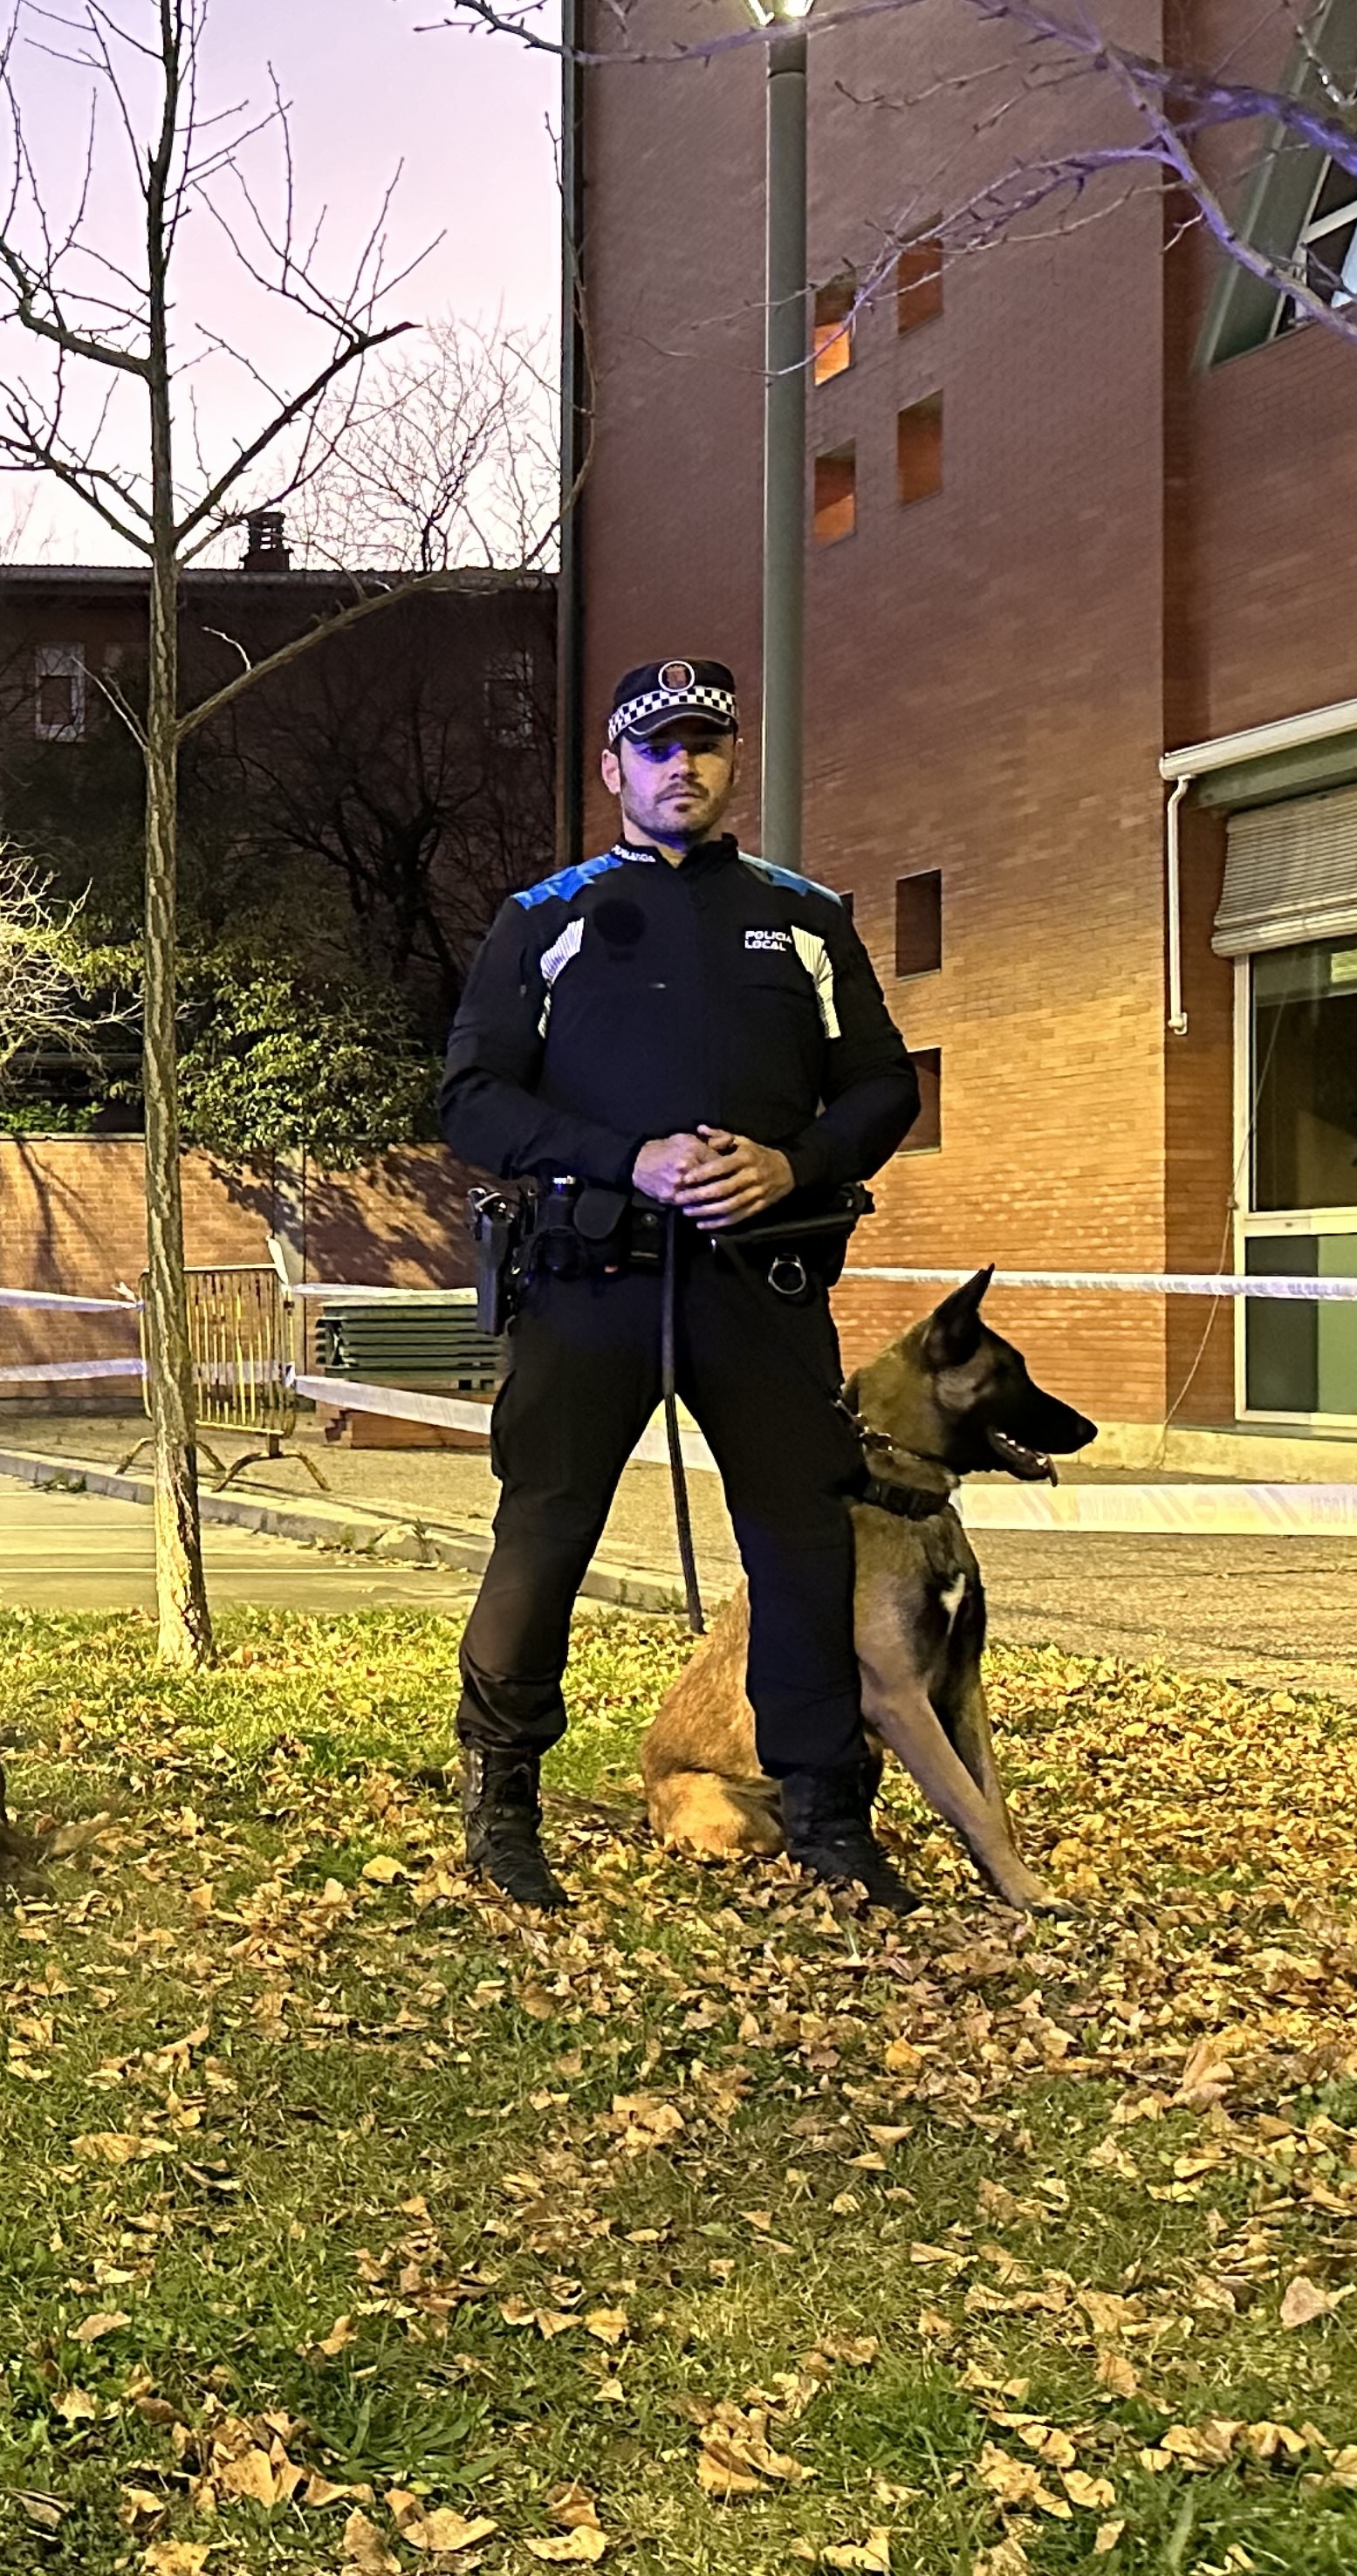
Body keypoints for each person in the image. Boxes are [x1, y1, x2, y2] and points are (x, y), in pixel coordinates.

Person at [439, 656, 922, 1912]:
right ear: (614, 770)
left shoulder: (806, 917)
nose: (683, 767)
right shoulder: (543, 917)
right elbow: (472, 1099)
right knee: (543, 1536)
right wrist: (628, 1158)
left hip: (760, 1284)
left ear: (731, 760)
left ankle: (827, 1814)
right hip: (588, 1278)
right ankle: (501, 1802)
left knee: (802, 1547)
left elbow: (884, 1085)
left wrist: (795, 1161)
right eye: (656, 749)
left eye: (704, 744)